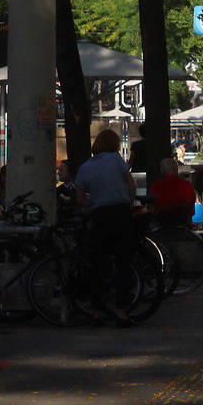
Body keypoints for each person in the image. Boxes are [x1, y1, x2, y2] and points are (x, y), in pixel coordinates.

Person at [73, 128, 138, 326]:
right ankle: (122, 312)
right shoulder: (117, 160)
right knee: (123, 263)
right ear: (115, 144)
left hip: (100, 217)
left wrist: (95, 203)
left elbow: (80, 198)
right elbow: (132, 186)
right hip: (120, 214)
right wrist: (129, 204)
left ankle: (97, 312)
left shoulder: (85, 167)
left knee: (98, 264)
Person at [148, 157, 196, 227]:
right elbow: (192, 208)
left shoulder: (156, 185)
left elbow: (152, 207)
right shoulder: (187, 185)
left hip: (162, 223)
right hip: (183, 222)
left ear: (161, 171)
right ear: (176, 169)